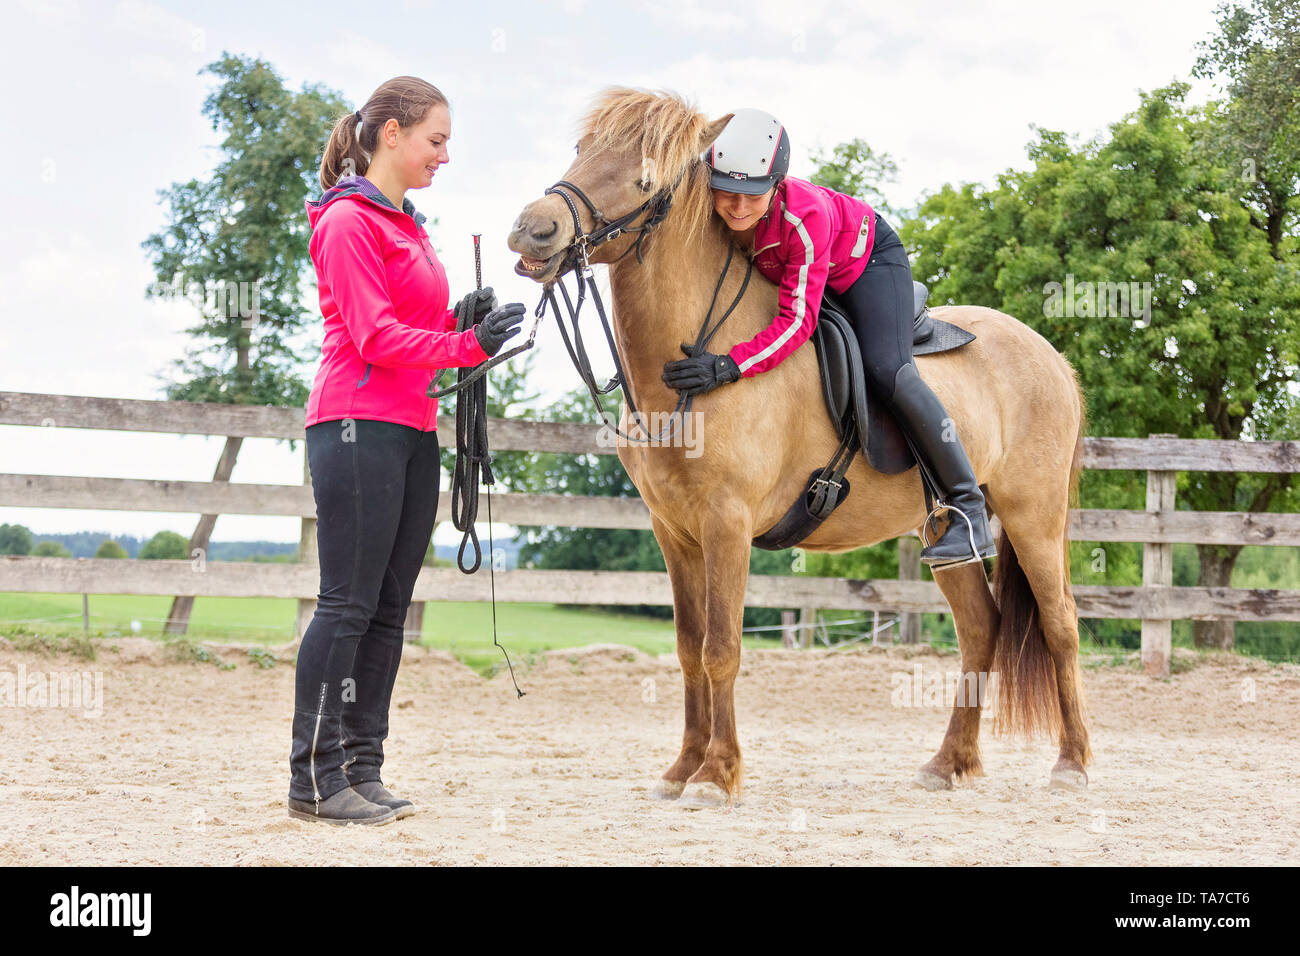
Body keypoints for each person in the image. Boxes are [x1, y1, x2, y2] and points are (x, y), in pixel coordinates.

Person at [289, 76, 525, 825]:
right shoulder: (348, 223)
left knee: (389, 608)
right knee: (346, 604)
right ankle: (314, 780)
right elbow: (372, 335)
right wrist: (465, 345)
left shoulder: (406, 224)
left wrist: (463, 319)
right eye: (436, 140)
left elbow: (412, 321)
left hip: (413, 426)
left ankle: (362, 766)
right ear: (390, 134)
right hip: (356, 423)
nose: (444, 156)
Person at [661, 108, 996, 569]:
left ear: (776, 185)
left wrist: (729, 365)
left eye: (753, 196)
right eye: (729, 193)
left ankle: (967, 510)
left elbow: (798, 323)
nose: (738, 209)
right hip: (792, 271)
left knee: (886, 368)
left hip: (866, 263)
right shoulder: (711, 204)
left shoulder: (805, 216)